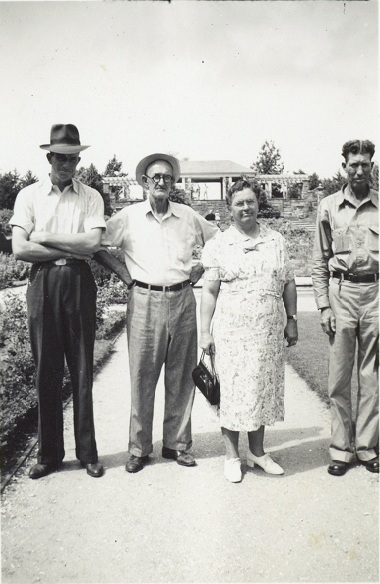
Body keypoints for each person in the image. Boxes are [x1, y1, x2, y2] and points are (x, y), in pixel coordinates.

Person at [95, 153, 218, 473]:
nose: (161, 181)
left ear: (173, 182)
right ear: (145, 183)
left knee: (181, 377)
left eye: (167, 177)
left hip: (181, 300)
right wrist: (123, 274)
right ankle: (138, 448)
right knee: (142, 377)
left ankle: (178, 445)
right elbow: (96, 244)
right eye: (155, 177)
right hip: (144, 301)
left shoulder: (188, 216)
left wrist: (202, 265)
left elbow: (221, 241)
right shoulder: (128, 217)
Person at [10, 124, 105, 479]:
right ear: (49, 157)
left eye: (73, 158)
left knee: (81, 368)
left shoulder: (91, 196)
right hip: (43, 284)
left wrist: (47, 237)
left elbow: (92, 245)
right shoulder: (29, 196)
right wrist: (72, 243)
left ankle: (87, 453)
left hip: (79, 282)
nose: (68, 164)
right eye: (61, 157)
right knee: (46, 370)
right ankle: (49, 454)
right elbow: (20, 248)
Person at [199, 179, 298, 483]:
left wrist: (291, 318)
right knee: (231, 392)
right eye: (239, 203)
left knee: (261, 388)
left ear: (258, 204)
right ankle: (231, 456)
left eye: (250, 201)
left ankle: (257, 452)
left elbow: (289, 282)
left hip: (267, 333)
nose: (246, 207)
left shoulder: (276, 241)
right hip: (231, 332)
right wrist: (205, 331)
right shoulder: (218, 244)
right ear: (229, 209)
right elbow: (210, 292)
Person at [312, 139, 379, 476]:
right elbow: (319, 262)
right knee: (339, 377)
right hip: (341, 294)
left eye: (365, 164)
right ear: (344, 166)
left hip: (374, 295)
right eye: (353, 164)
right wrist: (323, 306)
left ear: (372, 166)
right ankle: (341, 450)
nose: (359, 170)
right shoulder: (328, 206)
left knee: (371, 377)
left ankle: (367, 448)